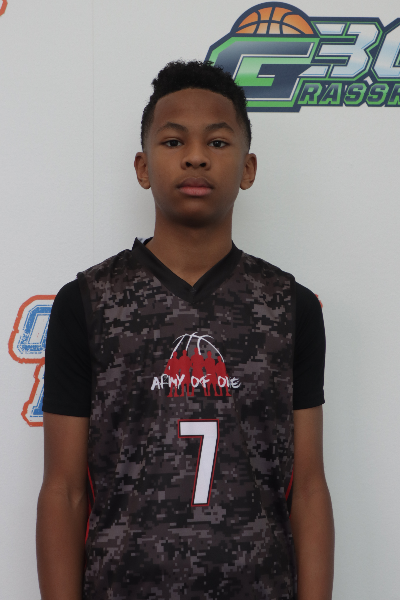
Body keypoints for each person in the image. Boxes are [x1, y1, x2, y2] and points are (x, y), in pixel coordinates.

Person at [37, 60, 334, 600]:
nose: (196, 156)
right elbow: (63, 490)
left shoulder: (291, 307)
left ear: (248, 168)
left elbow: (309, 489)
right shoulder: (86, 302)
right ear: (143, 166)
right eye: (173, 141)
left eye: (217, 142)